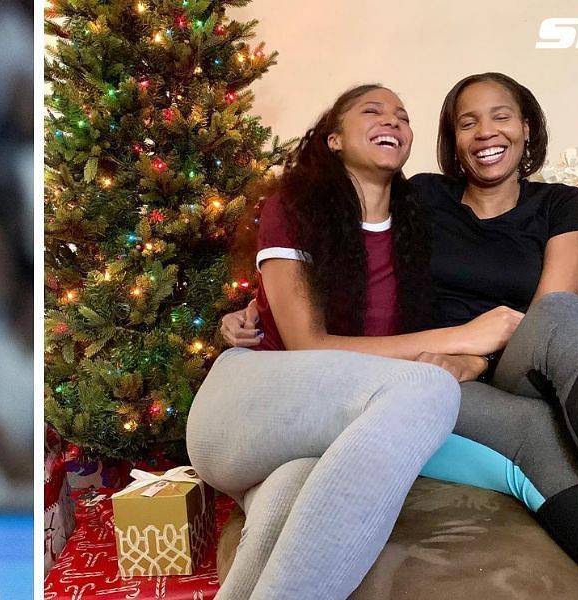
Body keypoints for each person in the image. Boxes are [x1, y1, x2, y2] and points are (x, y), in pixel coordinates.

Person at [222, 73, 578, 598]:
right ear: (453, 140)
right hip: (434, 374)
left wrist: (473, 356)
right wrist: (254, 306)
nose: (486, 132)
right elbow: (341, 249)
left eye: (501, 116)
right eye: (468, 122)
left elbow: (549, 313)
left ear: (527, 128)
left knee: (558, 313)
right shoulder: (423, 195)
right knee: (541, 440)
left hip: (520, 358)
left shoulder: (560, 203)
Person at [186, 84, 522, 599]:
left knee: (286, 500)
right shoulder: (293, 208)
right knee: (428, 389)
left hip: (314, 443)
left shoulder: (417, 226)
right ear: (334, 139)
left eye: (403, 116)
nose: (392, 120)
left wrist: (471, 357)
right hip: (245, 408)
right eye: (372, 111)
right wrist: (464, 337)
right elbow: (308, 345)